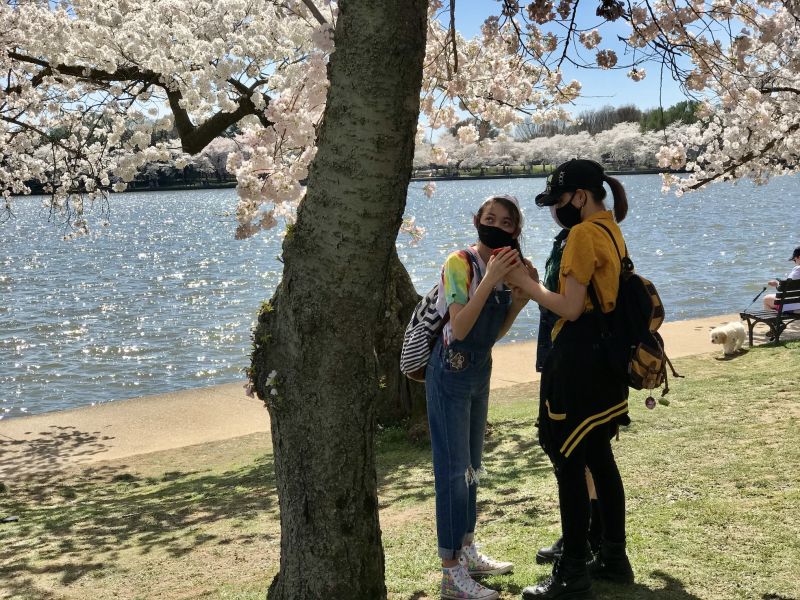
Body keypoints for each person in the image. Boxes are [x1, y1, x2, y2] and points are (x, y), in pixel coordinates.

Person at [505, 160, 634, 599]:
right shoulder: (610, 229)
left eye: (560, 201)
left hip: (577, 365)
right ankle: (613, 557)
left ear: (580, 196)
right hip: (606, 365)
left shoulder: (581, 235)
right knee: (599, 458)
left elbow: (571, 307)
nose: (558, 211)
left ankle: (572, 571)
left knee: (569, 464)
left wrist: (525, 282)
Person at [426, 194, 537, 600]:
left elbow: (491, 335)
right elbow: (460, 327)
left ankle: (468, 549)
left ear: (514, 231)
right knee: (452, 474)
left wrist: (519, 300)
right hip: (449, 373)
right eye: (489, 218)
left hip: (479, 371)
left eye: (505, 222)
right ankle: (450, 572)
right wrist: (490, 279)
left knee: (473, 467)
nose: (495, 224)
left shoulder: (508, 268)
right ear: (477, 220)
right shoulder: (460, 263)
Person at [763, 246, 800, 312]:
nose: (794, 261)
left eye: (794, 259)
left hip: (796, 307)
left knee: (766, 299)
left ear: (799, 257)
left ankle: (775, 321)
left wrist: (777, 284)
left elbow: (786, 287)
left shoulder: (797, 270)